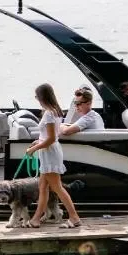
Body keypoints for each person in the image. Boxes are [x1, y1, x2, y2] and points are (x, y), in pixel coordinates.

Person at [25, 83, 82, 228]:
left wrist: (34, 149)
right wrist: (38, 141)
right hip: (49, 152)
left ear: (42, 97)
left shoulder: (49, 113)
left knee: (57, 187)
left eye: (37, 96)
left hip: (49, 153)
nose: (36, 99)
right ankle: (36, 219)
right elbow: (50, 136)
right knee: (43, 187)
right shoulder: (54, 111)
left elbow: (50, 139)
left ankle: (74, 217)